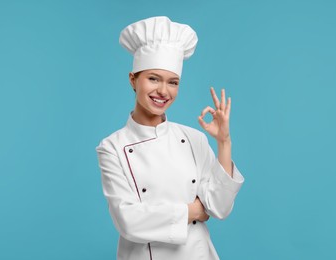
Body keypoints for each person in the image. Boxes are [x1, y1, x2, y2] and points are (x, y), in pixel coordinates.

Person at [96, 16, 244, 260]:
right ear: (133, 79)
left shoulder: (194, 138)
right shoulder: (112, 147)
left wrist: (224, 142)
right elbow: (129, 221)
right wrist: (193, 210)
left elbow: (219, 207)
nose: (163, 91)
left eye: (173, 82)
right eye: (153, 78)